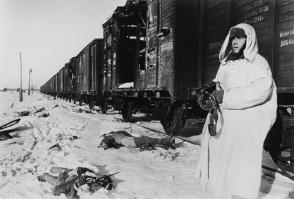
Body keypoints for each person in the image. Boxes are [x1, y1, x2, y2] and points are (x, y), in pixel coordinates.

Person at [196, 23, 277, 199]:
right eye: (233, 37)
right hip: (224, 125)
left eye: (240, 37)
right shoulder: (227, 63)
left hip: (243, 126)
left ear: (249, 39)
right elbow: (219, 81)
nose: (235, 41)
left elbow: (261, 90)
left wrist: (226, 96)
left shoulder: (258, 63)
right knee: (221, 169)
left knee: (240, 173)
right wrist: (209, 88)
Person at [100, 130, 175, 150]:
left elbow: (125, 133)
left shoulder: (116, 134)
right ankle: (166, 141)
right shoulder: (111, 137)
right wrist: (104, 144)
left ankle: (166, 144)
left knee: (147, 141)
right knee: (146, 139)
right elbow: (106, 142)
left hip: (129, 140)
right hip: (129, 141)